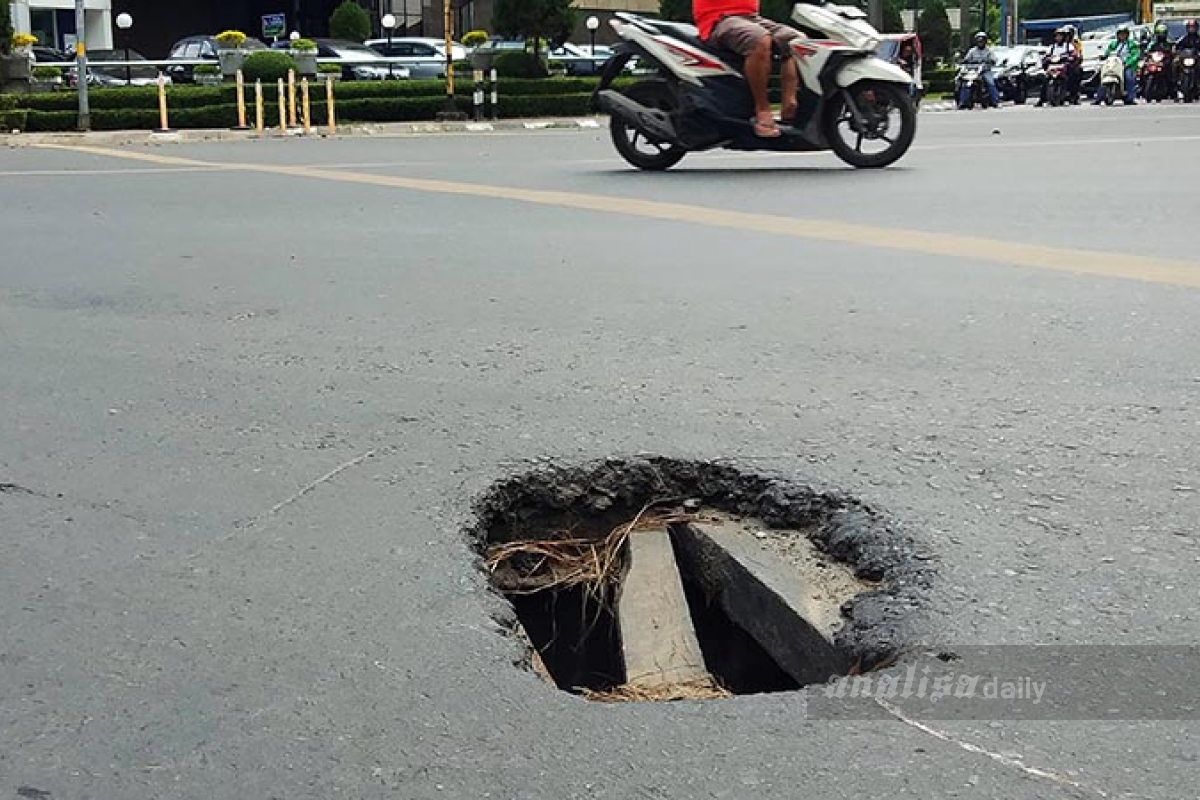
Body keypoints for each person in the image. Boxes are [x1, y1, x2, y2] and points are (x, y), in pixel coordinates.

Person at [692, 0, 804, 138]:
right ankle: (762, 110)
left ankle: (789, 105)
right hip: (720, 19)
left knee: (797, 42)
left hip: (751, 18)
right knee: (759, 39)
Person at [1095, 26, 1140, 105]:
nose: (1122, 36)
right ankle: (1099, 97)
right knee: (1101, 74)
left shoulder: (1132, 44)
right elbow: (1108, 52)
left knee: (1129, 77)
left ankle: (1130, 97)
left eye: (1124, 34)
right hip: (1113, 64)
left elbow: (1135, 55)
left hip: (1126, 65)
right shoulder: (1113, 44)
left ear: (1127, 35)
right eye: (1120, 34)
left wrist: (1128, 63)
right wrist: (1104, 56)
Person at [1037, 27, 1077, 106]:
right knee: (1045, 80)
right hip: (1053, 65)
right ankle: (1042, 99)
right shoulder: (1052, 47)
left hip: (1064, 65)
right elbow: (1046, 55)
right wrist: (1046, 59)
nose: (1058, 38)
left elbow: (1073, 54)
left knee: (1072, 76)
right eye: (1057, 36)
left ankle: (1072, 96)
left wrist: (1071, 57)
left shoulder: (1069, 46)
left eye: (1060, 36)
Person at [960, 31, 999, 107]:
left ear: (985, 41)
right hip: (972, 71)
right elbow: (966, 59)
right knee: (964, 83)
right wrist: (964, 61)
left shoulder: (989, 51)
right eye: (978, 41)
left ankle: (995, 101)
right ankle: (962, 101)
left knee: (991, 83)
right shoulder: (972, 51)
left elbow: (994, 59)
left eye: (982, 40)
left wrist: (990, 61)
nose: (980, 42)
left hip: (985, 71)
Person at [1143, 22, 1176, 98]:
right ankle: (1141, 85)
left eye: (1162, 33)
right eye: (1159, 33)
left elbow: (1173, 50)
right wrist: (1146, 52)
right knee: (1143, 67)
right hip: (1155, 61)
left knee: (1171, 69)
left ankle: (1173, 89)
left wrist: (1171, 53)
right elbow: (1147, 50)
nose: (1161, 35)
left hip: (1165, 62)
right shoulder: (1152, 43)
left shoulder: (1169, 43)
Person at [1174, 19, 1200, 91]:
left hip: (1196, 58)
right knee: (1174, 63)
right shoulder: (1183, 38)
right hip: (1185, 58)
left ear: (1196, 28)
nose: (1191, 29)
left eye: (1193, 27)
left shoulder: (1198, 38)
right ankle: (1175, 80)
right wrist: (1176, 51)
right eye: (1190, 27)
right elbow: (1176, 46)